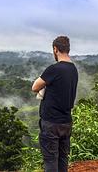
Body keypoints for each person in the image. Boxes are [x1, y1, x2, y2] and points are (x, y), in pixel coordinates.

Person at [32, 36, 78, 172]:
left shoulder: (54, 69)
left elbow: (35, 87)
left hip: (52, 122)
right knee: (63, 159)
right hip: (66, 122)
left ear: (55, 49)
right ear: (68, 49)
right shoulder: (73, 69)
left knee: (51, 160)